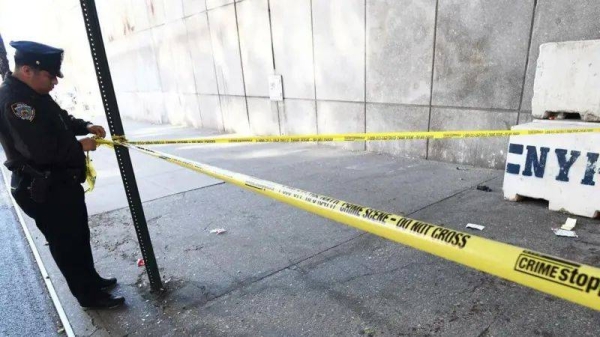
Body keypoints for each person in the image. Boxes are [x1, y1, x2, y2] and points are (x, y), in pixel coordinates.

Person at [0, 41, 125, 309]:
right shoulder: (15, 102)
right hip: (42, 187)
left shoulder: (33, 92)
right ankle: (88, 297)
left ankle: (91, 281)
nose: (55, 81)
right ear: (27, 69)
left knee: (78, 236)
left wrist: (85, 125)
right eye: (50, 75)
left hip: (59, 182)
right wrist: (80, 145)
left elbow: (59, 119)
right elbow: (39, 150)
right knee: (66, 243)